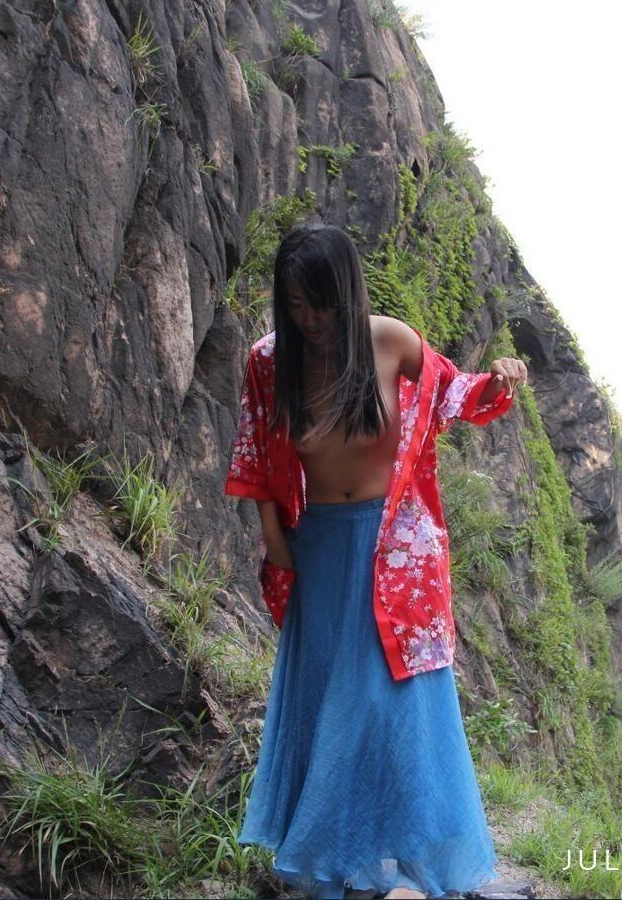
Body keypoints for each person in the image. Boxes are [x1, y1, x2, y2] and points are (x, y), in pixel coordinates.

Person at [223, 224, 528, 900]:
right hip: (321, 550)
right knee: (332, 703)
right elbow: (255, 453)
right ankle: (352, 867)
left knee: (400, 708)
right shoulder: (269, 360)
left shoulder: (390, 340)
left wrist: (497, 382)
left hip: (398, 551)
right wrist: (277, 542)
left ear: (348, 294)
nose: (310, 320)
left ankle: (428, 870)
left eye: (322, 305)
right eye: (296, 305)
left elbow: (452, 392)